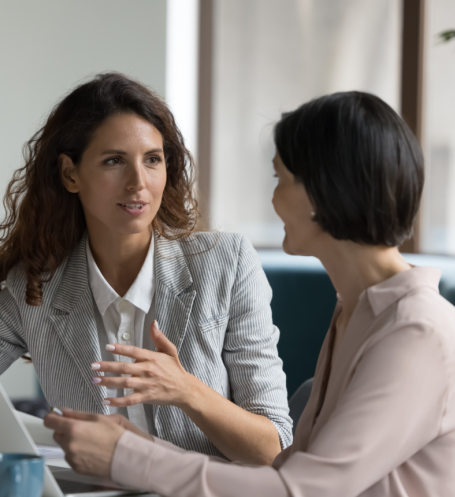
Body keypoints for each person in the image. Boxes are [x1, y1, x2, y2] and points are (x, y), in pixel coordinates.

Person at [44, 91, 455, 496]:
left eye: (281, 179)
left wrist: (126, 457)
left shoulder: (415, 331)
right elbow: (290, 469)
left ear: (323, 192)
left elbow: (301, 489)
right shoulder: (357, 311)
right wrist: (140, 447)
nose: (272, 198)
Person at [0, 72, 293, 464]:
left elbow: (275, 448)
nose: (138, 182)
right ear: (70, 174)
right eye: (114, 161)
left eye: (152, 159)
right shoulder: (35, 290)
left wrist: (188, 392)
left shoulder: (226, 263)